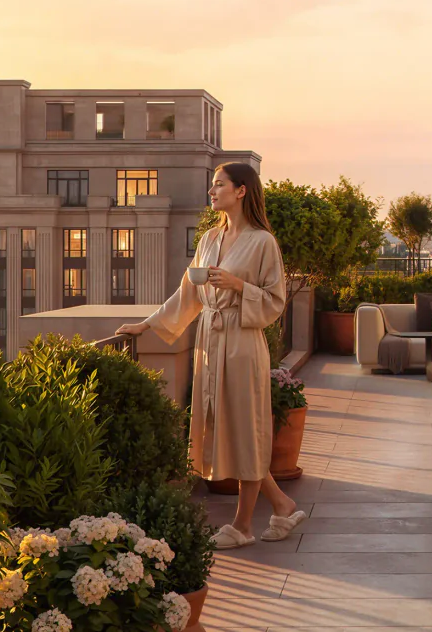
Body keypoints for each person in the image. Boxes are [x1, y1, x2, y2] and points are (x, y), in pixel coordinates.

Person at [118, 162, 305, 549]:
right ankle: (282, 505)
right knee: (228, 429)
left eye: (218, 185)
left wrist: (239, 286)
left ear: (241, 191)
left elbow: (275, 300)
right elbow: (188, 291)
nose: (211, 191)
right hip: (210, 340)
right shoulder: (208, 239)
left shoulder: (262, 242)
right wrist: (147, 324)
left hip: (242, 341)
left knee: (246, 429)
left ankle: (242, 526)